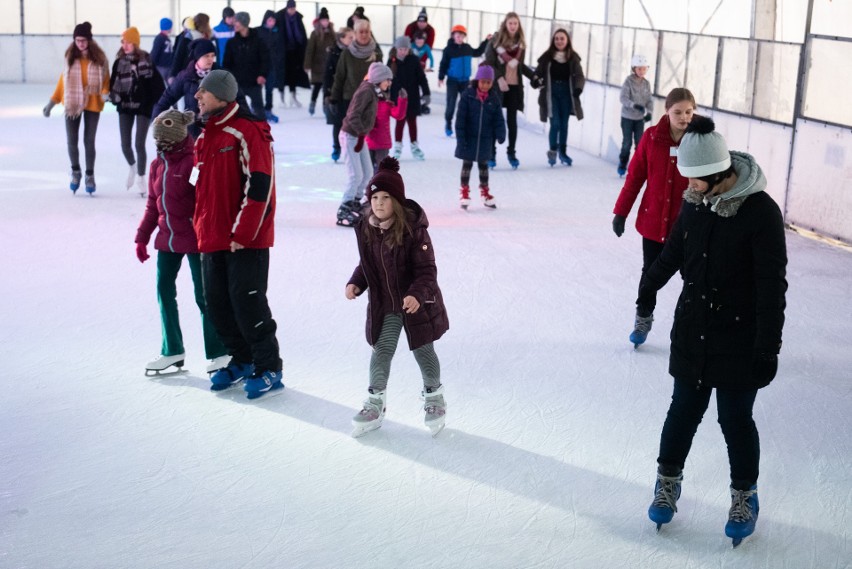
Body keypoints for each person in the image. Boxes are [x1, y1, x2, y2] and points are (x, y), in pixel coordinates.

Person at [637, 115, 787, 546]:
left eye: (695, 180)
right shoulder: (695, 201)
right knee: (682, 410)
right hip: (693, 329)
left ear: (717, 173)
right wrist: (648, 286)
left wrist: (767, 348)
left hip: (739, 337)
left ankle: (745, 496)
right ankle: (667, 483)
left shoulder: (761, 213)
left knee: (735, 419)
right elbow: (673, 252)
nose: (688, 187)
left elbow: (771, 286)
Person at [192, 69, 284, 400]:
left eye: (203, 91)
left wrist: (243, 232)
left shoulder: (248, 131)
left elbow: (260, 185)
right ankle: (242, 359)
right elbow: (198, 188)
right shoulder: (203, 138)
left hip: (245, 238)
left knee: (247, 304)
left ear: (222, 95)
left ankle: (269, 365)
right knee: (214, 303)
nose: (197, 96)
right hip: (212, 237)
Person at [345, 156, 450, 438]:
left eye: (386, 197)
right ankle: (375, 402)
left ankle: (434, 396)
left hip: (417, 305)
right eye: (374, 196)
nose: (378, 203)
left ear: (398, 201)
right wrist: (356, 282)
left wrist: (417, 294)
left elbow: (427, 271)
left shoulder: (413, 230)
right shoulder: (368, 229)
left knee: (423, 351)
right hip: (387, 306)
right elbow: (366, 265)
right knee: (381, 352)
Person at [135, 109, 229, 376]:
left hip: (196, 239)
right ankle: (172, 350)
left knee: (205, 296)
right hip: (167, 239)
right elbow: (153, 204)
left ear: (177, 136)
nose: (159, 144)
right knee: (164, 291)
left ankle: (219, 352)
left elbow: (204, 201)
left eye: (163, 138)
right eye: (157, 140)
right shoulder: (157, 165)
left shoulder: (193, 164)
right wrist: (142, 237)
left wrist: (209, 233)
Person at [612, 88, 697, 347]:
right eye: (678, 112)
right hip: (653, 224)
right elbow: (635, 177)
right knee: (650, 276)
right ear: (667, 111)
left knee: (693, 280)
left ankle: (689, 325)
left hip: (687, 227)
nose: (684, 118)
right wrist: (621, 212)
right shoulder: (651, 138)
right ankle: (643, 318)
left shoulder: (700, 140)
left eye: (689, 112)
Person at [43, 21, 110, 195]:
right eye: (77, 40)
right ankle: (75, 172)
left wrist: (105, 92)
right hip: (72, 103)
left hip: (93, 102)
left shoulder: (100, 59)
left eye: (83, 40)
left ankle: (89, 175)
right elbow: (62, 81)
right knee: (71, 141)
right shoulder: (70, 58)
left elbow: (106, 78)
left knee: (89, 141)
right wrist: (53, 101)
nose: (80, 43)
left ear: (89, 40)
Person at [109, 27, 165, 196]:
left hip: (143, 106)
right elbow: (113, 85)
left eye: (128, 42)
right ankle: (133, 167)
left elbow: (158, 86)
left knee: (139, 144)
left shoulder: (146, 60)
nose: (125, 45)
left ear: (135, 43)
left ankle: (141, 177)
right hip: (125, 106)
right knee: (125, 145)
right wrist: (113, 96)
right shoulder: (119, 63)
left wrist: (152, 103)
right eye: (123, 42)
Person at [335, 62, 392, 227]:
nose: (389, 83)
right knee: (356, 175)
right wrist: (361, 132)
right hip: (351, 136)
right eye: (387, 80)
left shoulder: (373, 91)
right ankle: (344, 208)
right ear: (379, 79)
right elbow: (353, 116)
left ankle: (355, 203)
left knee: (367, 172)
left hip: (359, 136)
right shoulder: (366, 91)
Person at [484, 12, 537, 169]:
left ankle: (511, 152)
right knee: (496, 120)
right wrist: (499, 78)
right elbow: (489, 63)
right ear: (505, 25)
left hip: (514, 87)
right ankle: (491, 153)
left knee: (512, 122)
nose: (513, 26)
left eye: (515, 23)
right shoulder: (495, 42)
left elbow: (520, 67)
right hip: (498, 87)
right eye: (510, 23)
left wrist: (534, 77)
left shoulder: (520, 45)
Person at [454, 64, 506, 209]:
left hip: (485, 139)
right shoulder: (468, 96)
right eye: (482, 81)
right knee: (467, 165)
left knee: (484, 166)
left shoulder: (494, 98)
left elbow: (498, 119)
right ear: (477, 80)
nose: (485, 85)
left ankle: (485, 192)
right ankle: (464, 191)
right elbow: (460, 119)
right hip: (469, 138)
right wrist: (461, 137)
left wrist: (501, 133)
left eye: (488, 82)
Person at [330, 19, 383, 161]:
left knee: (368, 126)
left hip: (369, 98)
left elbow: (381, 77)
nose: (364, 35)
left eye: (366, 32)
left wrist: (383, 95)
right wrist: (334, 98)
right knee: (345, 126)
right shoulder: (347, 54)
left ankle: (367, 152)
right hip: (349, 97)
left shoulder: (376, 53)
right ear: (355, 33)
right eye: (361, 32)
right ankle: (338, 147)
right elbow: (340, 76)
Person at [533, 28, 585, 167]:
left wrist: (578, 89)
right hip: (551, 93)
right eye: (556, 38)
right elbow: (537, 73)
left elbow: (579, 76)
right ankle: (553, 151)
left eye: (562, 38)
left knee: (564, 124)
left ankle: (563, 152)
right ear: (553, 41)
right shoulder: (547, 57)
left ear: (567, 40)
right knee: (554, 123)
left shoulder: (573, 57)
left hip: (567, 94)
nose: (559, 41)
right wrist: (536, 80)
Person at [153, 39, 217, 138]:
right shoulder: (186, 76)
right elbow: (168, 97)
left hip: (216, 130)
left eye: (213, 56)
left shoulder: (220, 74)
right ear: (197, 57)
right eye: (206, 56)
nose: (210, 59)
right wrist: (157, 119)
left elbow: (236, 99)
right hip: (194, 132)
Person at [437, 25, 488, 138]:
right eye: (457, 35)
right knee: (451, 103)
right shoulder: (448, 50)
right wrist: (441, 77)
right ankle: (448, 123)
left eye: (462, 35)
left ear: (464, 36)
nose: (459, 37)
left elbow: (478, 52)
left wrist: (486, 41)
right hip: (452, 81)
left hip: (465, 81)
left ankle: (465, 126)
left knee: (466, 104)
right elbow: (443, 64)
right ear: (453, 36)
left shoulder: (467, 48)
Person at [387, 36, 429, 161]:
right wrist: (391, 93)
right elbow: (388, 80)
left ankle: (414, 146)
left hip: (413, 97)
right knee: (399, 122)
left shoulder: (414, 60)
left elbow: (422, 78)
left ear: (409, 49)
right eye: (400, 49)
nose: (403, 51)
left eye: (405, 49)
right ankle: (398, 146)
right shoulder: (391, 62)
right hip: (398, 98)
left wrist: (426, 93)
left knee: (412, 122)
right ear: (396, 49)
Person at [222, 12, 269, 121]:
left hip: (254, 83)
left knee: (259, 113)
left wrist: (262, 74)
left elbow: (265, 60)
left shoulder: (258, 41)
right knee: (236, 114)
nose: (234, 24)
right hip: (237, 83)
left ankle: (262, 136)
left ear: (244, 23)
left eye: (237, 21)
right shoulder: (231, 43)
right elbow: (226, 64)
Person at [618, 54, 654, 176]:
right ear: (634, 68)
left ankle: (637, 168)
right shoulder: (628, 81)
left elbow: (649, 100)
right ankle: (623, 163)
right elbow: (623, 98)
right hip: (627, 117)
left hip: (639, 119)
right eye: (639, 68)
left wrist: (649, 112)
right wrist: (633, 105)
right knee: (627, 143)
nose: (642, 71)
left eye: (644, 68)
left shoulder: (646, 84)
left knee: (640, 144)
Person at [322, 27, 354, 162]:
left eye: (353, 37)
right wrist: (328, 94)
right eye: (349, 38)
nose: (353, 40)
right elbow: (327, 75)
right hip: (337, 93)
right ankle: (337, 147)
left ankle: (352, 148)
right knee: (338, 122)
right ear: (342, 38)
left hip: (351, 92)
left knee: (352, 122)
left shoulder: (354, 52)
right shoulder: (334, 53)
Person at [366, 74, 407, 170]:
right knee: (368, 170)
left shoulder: (386, 104)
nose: (388, 84)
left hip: (382, 143)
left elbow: (398, 115)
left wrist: (402, 100)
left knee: (381, 170)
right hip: (368, 140)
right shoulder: (368, 102)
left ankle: (379, 184)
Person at [275, 0, 310, 107]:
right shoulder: (280, 17)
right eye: (290, 8)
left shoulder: (298, 18)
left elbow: (302, 35)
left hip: (295, 51)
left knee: (293, 75)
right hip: (282, 52)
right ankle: (281, 97)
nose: (292, 10)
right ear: (287, 8)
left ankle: (293, 96)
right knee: (282, 74)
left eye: (293, 8)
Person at [304, 7, 335, 116]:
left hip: (328, 66)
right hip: (317, 65)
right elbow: (310, 50)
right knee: (317, 86)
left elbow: (336, 46)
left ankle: (325, 107)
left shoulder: (332, 33)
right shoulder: (315, 34)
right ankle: (312, 102)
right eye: (323, 20)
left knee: (326, 87)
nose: (325, 23)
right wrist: (307, 65)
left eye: (326, 20)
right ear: (320, 21)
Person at [256, 11, 282, 123]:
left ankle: (268, 109)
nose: (272, 22)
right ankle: (257, 108)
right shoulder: (258, 31)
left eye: (274, 20)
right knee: (257, 89)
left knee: (269, 89)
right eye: (270, 20)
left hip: (272, 65)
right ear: (265, 20)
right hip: (259, 65)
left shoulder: (276, 32)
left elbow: (279, 49)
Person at [168, 16, 201, 83]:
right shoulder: (181, 38)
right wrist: (172, 74)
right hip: (182, 69)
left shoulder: (192, 37)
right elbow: (177, 56)